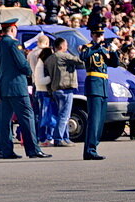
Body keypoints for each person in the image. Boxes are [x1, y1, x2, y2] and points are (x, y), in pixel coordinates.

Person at [0, 19, 48, 159]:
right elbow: (22, 65)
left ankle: (7, 150)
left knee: (5, 121)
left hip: (3, 88)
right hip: (17, 88)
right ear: (13, 30)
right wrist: (29, 71)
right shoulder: (14, 44)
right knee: (27, 117)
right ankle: (33, 150)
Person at [79, 30, 119, 160]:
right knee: (94, 120)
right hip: (94, 86)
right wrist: (96, 47)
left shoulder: (104, 49)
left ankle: (93, 147)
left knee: (100, 121)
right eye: (96, 35)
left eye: (101, 35)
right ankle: (90, 150)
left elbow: (115, 63)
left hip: (103, 86)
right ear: (92, 36)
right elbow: (83, 56)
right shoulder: (88, 47)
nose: (99, 37)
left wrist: (113, 51)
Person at [44, 37, 82, 147]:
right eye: (66, 45)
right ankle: (59, 138)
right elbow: (79, 60)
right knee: (64, 115)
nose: (67, 47)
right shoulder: (63, 56)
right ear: (61, 46)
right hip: (65, 89)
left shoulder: (49, 59)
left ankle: (66, 137)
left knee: (62, 115)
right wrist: (81, 51)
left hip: (55, 89)